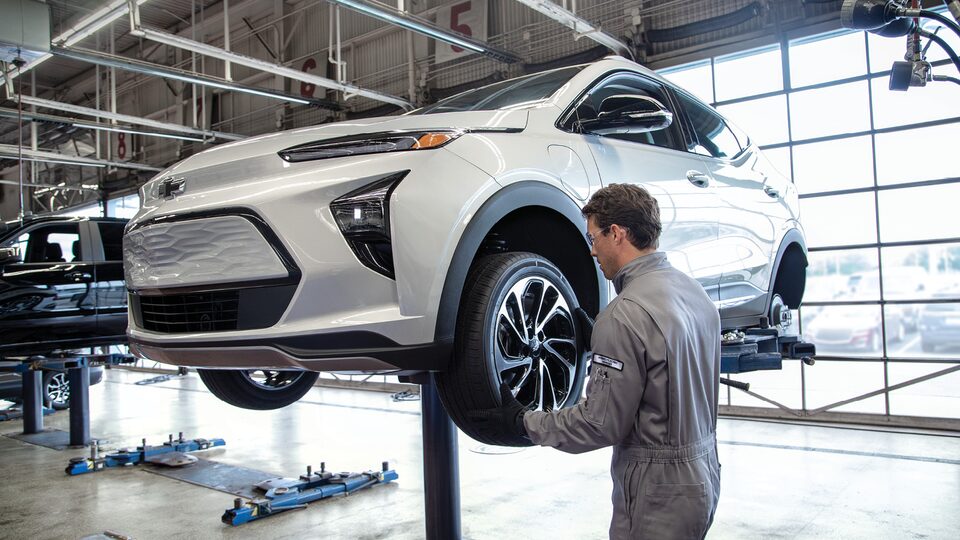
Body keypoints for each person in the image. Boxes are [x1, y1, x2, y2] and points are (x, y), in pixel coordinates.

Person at [476, 183, 721, 539]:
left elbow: (599, 424)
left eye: (594, 239)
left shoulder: (624, 316)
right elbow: (665, 364)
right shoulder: (692, 293)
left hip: (658, 494)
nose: (592, 251)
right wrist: (600, 339)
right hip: (703, 474)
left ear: (617, 234)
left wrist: (525, 422)